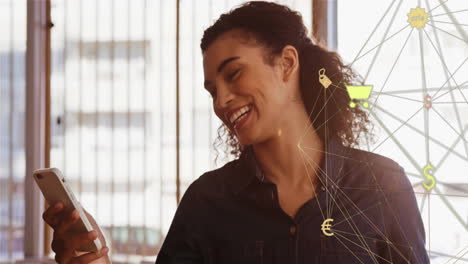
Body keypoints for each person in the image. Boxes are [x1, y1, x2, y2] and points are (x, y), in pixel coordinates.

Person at [43, 1, 429, 263]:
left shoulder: (382, 185)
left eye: (234, 73)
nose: (221, 100)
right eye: (212, 89)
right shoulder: (206, 202)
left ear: (286, 64)